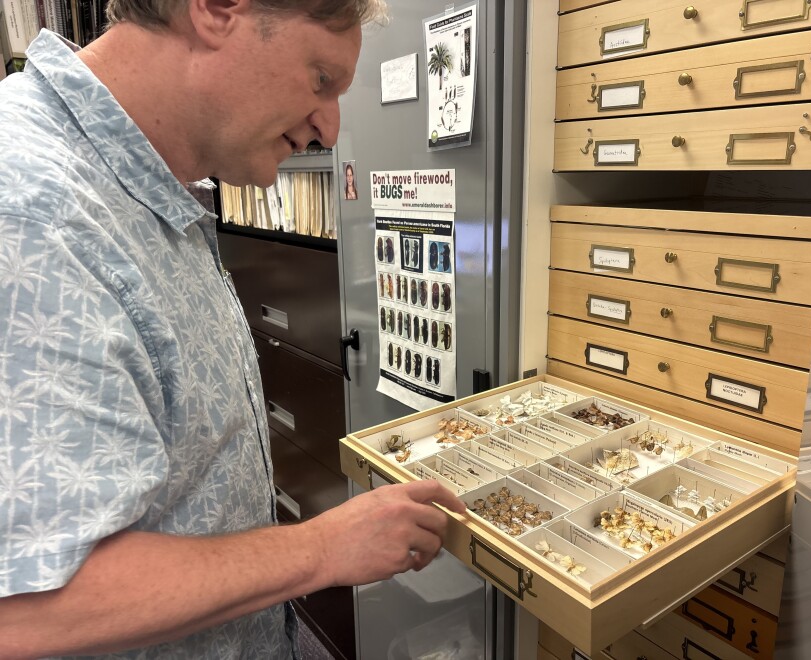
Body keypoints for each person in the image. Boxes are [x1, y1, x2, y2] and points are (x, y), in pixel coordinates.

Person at [0, 1, 466, 658]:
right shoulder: (32, 210)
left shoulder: (147, 191)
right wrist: (323, 548)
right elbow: (27, 607)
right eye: (320, 79)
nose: (330, 130)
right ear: (218, 9)